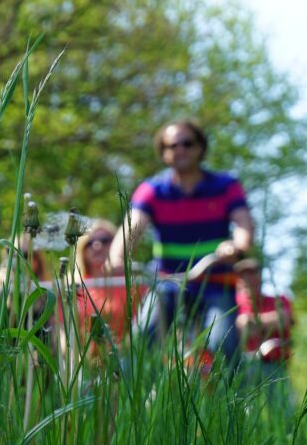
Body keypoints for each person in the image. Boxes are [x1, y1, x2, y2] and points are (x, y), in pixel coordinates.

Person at [107, 119, 255, 374]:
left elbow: (243, 222)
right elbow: (132, 226)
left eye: (187, 143)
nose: (180, 150)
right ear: (163, 153)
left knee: (222, 342)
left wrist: (237, 246)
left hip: (214, 281)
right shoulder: (153, 190)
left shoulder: (225, 186)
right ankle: (138, 402)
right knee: (145, 335)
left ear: (200, 148)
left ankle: (235, 404)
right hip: (168, 282)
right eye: (172, 145)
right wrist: (117, 256)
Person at [73, 220, 144, 346]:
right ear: (82, 250)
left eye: (104, 240)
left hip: (129, 355)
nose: (97, 245)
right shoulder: (75, 288)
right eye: (89, 242)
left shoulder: (132, 283)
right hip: (87, 360)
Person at [235, 258, 294, 386]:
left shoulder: (279, 299)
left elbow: (284, 320)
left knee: (281, 404)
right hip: (244, 365)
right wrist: (270, 324)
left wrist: (249, 321)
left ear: (260, 277)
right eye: (242, 275)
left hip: (276, 366)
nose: (248, 278)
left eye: (252, 273)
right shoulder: (233, 304)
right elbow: (238, 332)